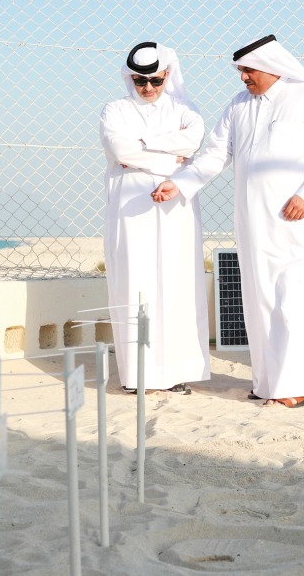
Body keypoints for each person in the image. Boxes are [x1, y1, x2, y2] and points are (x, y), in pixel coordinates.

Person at [151, 34, 304, 408]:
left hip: (300, 220)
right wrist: (179, 184)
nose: (243, 78)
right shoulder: (239, 105)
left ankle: (297, 384)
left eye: (248, 70)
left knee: (296, 299)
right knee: (260, 301)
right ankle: (268, 382)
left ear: (272, 67)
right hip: (254, 223)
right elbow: (215, 154)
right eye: (240, 71)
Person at [100, 42, 210, 394]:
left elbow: (192, 143)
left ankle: (176, 373)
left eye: (155, 81)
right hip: (131, 211)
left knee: (177, 282)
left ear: (167, 75)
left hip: (174, 207)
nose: (147, 88)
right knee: (136, 282)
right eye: (139, 81)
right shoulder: (115, 109)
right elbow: (120, 150)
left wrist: (143, 149)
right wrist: (169, 158)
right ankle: (138, 376)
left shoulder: (185, 109)